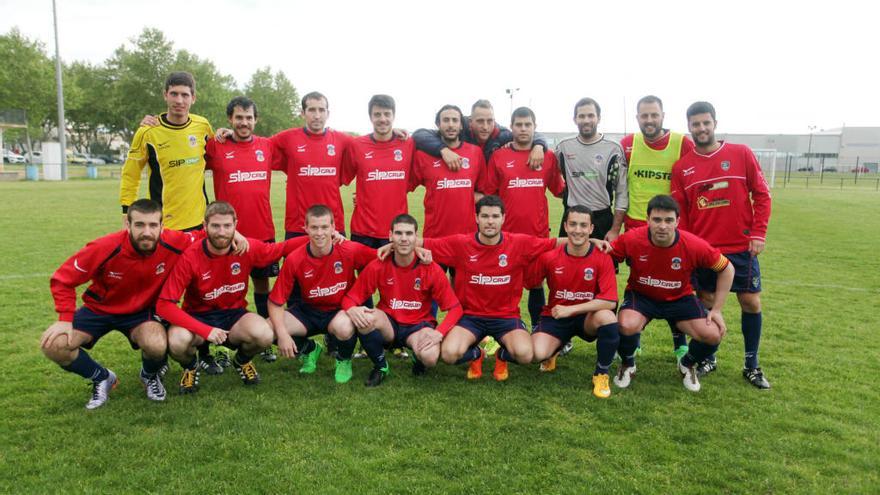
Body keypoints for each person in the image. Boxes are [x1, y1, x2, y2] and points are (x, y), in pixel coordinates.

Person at [40, 199, 209, 408]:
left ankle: (149, 376)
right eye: (139, 225)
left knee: (156, 345)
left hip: (141, 313)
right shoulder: (104, 247)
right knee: (54, 345)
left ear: (162, 226)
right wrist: (65, 319)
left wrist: (236, 234)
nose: (146, 232)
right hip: (99, 310)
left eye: (153, 225)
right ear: (127, 225)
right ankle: (102, 377)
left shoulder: (174, 241)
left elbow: (208, 234)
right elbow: (62, 280)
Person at [670, 101, 772, 389]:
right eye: (695, 124)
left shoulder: (741, 154)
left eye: (706, 122)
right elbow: (683, 215)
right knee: (705, 301)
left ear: (714, 123)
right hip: (704, 250)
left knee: (750, 301)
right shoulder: (682, 168)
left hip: (741, 246)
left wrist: (758, 233)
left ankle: (751, 364)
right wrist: (689, 248)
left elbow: (762, 195)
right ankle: (709, 356)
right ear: (689, 127)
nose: (701, 128)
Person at [156, 201, 307, 394]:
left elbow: (281, 249)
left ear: (236, 225)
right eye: (216, 226)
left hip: (234, 316)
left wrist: (321, 236)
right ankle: (191, 367)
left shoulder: (245, 248)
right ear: (205, 226)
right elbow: (164, 305)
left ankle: (242, 362)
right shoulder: (191, 256)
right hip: (198, 316)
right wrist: (205, 330)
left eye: (227, 226)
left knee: (264, 334)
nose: (221, 232)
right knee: (177, 341)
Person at [410, 195, 560, 381]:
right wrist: (393, 245)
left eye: (495, 216)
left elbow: (554, 243)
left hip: (506, 316)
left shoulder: (519, 243)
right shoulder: (461, 244)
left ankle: (501, 356)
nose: (490, 221)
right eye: (485, 216)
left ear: (504, 218)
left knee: (525, 354)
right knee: (449, 354)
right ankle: (477, 355)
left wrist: (592, 243)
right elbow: (423, 243)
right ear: (476, 218)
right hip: (470, 317)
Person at [592, 195, 734, 392]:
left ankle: (687, 363)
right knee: (626, 324)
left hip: (679, 298)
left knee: (713, 334)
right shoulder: (633, 238)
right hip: (641, 296)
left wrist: (717, 309)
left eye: (668, 220)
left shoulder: (693, 244)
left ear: (677, 222)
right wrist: (590, 242)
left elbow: (727, 268)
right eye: (657, 220)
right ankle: (628, 364)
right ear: (648, 220)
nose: (662, 226)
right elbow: (605, 253)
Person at [342, 214, 462, 386]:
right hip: (389, 324)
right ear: (390, 236)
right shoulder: (378, 265)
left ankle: (418, 358)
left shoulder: (431, 268)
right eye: (399, 233)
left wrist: (439, 333)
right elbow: (350, 298)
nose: (404, 238)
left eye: (408, 234)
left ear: (416, 237)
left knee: (430, 357)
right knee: (365, 317)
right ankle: (381, 366)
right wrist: (352, 309)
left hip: (417, 325)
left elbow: (455, 308)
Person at [621, 95, 696, 360]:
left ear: (663, 115)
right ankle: (634, 337)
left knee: (676, 284)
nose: (649, 120)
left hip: (672, 231)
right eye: (644, 116)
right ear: (637, 117)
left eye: (654, 115)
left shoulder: (681, 143)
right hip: (636, 229)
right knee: (641, 283)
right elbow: (621, 188)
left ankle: (680, 340)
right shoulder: (628, 145)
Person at [205, 96, 279, 363]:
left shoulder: (267, 146)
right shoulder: (216, 146)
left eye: (249, 117)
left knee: (262, 285)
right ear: (229, 119)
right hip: (224, 233)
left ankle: (265, 337)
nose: (244, 122)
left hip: (261, 231)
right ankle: (222, 345)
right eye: (239, 117)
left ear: (255, 120)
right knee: (224, 289)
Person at [267, 205, 377, 384]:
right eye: (314, 227)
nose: (320, 233)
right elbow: (275, 302)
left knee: (344, 327)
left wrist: (414, 249)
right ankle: (309, 349)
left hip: (339, 311)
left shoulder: (348, 249)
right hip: (308, 311)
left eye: (325, 227)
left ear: (334, 228)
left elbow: (380, 256)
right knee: (267, 330)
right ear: (306, 229)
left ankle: (343, 360)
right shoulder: (295, 258)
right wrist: (282, 334)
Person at [483, 107, 564, 332]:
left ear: (535, 127)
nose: (523, 129)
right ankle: (499, 331)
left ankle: (539, 330)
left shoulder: (547, 157)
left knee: (536, 284)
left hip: (537, 236)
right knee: (502, 284)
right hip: (505, 237)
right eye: (518, 124)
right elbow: (489, 195)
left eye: (527, 124)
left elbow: (559, 190)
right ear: (511, 127)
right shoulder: (499, 156)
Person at [525, 205, 620, 398]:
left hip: (586, 318)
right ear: (565, 226)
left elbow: (610, 300)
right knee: (534, 354)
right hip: (556, 316)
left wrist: (573, 309)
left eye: (583, 225)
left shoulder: (602, 258)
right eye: (573, 224)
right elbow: (531, 283)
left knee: (608, 317)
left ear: (591, 229)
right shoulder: (549, 257)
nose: (578, 230)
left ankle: (601, 374)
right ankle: (553, 351)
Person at [119, 71, 214, 232]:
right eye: (174, 94)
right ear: (165, 95)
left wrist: (227, 132)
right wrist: (126, 212)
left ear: (193, 98)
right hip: (163, 225)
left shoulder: (202, 126)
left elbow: (218, 155)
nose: (179, 100)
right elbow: (130, 175)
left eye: (185, 95)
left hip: (200, 223)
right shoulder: (147, 132)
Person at [270, 92, 352, 239]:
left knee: (336, 263)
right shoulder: (287, 138)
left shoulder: (342, 140)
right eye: (312, 110)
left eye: (321, 110)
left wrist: (393, 133)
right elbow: (255, 145)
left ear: (328, 113)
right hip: (298, 225)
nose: (317, 115)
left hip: (332, 224)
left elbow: (370, 145)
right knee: (294, 262)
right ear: (303, 113)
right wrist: (232, 134)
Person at [554, 98, 627, 241]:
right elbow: (554, 170)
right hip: (572, 216)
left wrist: (615, 229)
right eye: (581, 116)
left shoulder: (614, 149)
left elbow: (622, 191)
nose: (586, 120)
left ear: (598, 118)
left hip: (601, 218)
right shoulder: (563, 147)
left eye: (590, 115)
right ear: (575, 119)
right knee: (566, 262)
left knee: (604, 263)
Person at [410, 104, 487, 239]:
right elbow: (401, 186)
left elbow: (484, 191)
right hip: (435, 236)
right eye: (446, 120)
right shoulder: (423, 156)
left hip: (468, 237)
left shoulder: (475, 153)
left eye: (455, 120)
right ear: (438, 124)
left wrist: (466, 195)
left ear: (461, 125)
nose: (451, 125)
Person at [412, 99, 548, 169]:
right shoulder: (459, 128)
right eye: (480, 121)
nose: (485, 126)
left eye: (490, 121)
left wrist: (539, 146)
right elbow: (419, 135)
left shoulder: (502, 134)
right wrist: (443, 150)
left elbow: (528, 132)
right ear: (470, 121)